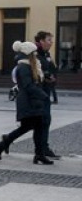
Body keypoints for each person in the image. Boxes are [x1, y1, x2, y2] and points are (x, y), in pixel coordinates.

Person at [0, 41, 52, 165]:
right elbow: (28, 85)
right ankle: (3, 144)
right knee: (26, 127)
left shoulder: (30, 66)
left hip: (34, 102)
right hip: (28, 102)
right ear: (28, 54)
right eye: (34, 53)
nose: (36, 55)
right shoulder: (23, 67)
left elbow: (34, 81)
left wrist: (44, 77)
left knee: (38, 128)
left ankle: (39, 155)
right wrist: (43, 95)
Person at [35, 31, 59, 159]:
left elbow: (50, 69)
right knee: (33, 123)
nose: (51, 42)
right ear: (41, 41)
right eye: (49, 40)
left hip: (46, 93)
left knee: (45, 121)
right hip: (39, 94)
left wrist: (51, 75)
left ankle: (44, 147)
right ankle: (5, 141)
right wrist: (46, 78)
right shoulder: (36, 55)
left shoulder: (46, 54)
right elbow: (37, 74)